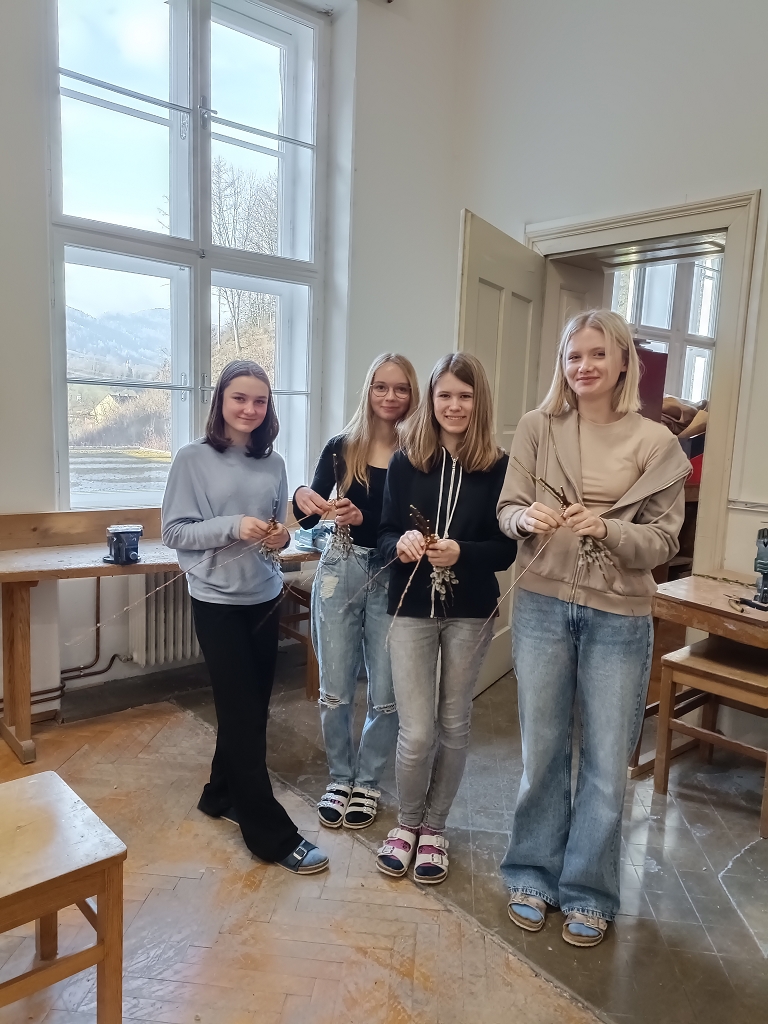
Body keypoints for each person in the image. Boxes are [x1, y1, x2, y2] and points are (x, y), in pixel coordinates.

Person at [497, 309, 690, 946]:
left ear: (624, 361)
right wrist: (525, 521)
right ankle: (531, 874)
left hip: (620, 617)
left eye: (598, 354)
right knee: (542, 752)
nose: (584, 366)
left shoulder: (657, 444)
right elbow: (507, 509)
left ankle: (589, 891)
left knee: (607, 763)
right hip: (542, 608)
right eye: (574, 355)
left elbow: (664, 542)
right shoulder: (537, 427)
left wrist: (607, 529)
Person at [162, 359, 329, 875]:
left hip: (265, 596)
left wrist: (281, 536)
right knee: (240, 715)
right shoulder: (192, 459)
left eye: (260, 400)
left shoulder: (273, 462)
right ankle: (270, 835)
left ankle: (220, 794)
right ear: (221, 400)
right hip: (217, 604)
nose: (250, 409)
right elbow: (174, 532)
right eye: (240, 398)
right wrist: (233, 525)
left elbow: (280, 531)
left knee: (251, 711)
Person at [376, 352, 517, 884]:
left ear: (479, 402)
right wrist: (401, 544)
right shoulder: (405, 461)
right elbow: (384, 534)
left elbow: (506, 549)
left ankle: (435, 828)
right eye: (444, 395)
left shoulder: (499, 467)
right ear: (431, 400)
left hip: (471, 612)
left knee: (454, 724)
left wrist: (464, 553)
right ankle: (407, 823)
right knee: (416, 732)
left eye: (465, 396)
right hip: (410, 609)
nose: (454, 406)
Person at [293, 353, 419, 830]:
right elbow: (308, 518)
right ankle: (340, 778)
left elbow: (420, 522)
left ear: (413, 394)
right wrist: (303, 496)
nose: (390, 396)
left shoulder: (420, 453)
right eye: (380, 386)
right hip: (339, 568)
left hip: (394, 572)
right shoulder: (340, 448)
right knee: (335, 688)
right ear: (368, 390)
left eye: (401, 388)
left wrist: (370, 520)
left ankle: (367, 781)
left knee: (386, 690)